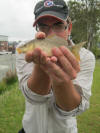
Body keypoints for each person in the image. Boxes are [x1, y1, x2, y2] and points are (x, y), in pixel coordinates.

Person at [16, 0, 95, 133]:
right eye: (43, 26)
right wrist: (42, 67)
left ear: (68, 28)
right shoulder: (25, 50)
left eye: (58, 25)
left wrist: (62, 81)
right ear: (37, 29)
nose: (50, 33)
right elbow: (34, 97)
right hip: (30, 129)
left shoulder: (86, 57)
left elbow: (74, 109)